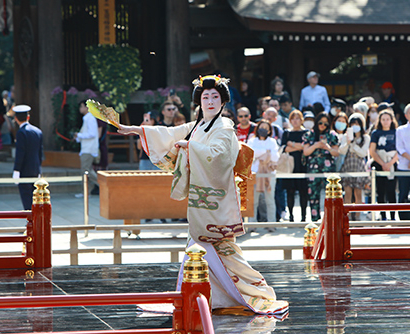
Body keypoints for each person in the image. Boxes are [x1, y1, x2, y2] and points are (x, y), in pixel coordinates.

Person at [117, 75, 289, 315]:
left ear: (222, 102)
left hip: (217, 200)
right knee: (201, 249)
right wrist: (135, 130)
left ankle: (250, 292)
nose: (209, 101)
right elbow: (170, 133)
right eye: (205, 97)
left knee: (222, 251)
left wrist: (191, 147)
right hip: (202, 199)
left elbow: (219, 157)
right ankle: (207, 296)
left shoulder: (225, 127)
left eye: (214, 97)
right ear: (199, 101)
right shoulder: (198, 125)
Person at [302, 112, 338, 221]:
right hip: (313, 166)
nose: (322, 126)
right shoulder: (309, 134)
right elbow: (306, 152)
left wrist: (327, 147)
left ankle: (331, 217)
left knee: (330, 192)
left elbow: (336, 153)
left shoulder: (332, 135)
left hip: (328, 166)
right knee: (313, 193)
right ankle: (315, 218)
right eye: (320, 123)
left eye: (326, 124)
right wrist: (316, 145)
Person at [338, 113, 370, 219]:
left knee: (358, 193)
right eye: (353, 124)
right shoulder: (345, 137)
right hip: (348, 165)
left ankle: (357, 216)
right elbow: (341, 151)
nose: (355, 126)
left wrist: (353, 144)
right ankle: (346, 216)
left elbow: (363, 153)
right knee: (347, 192)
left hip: (359, 166)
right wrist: (347, 142)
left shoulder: (365, 138)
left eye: (357, 124)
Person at [247, 120, 280, 225]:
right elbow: (250, 154)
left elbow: (275, 157)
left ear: (270, 130)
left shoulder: (272, 141)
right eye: (262, 127)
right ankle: (252, 225)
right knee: (254, 201)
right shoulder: (252, 140)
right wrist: (266, 152)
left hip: (269, 174)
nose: (264, 130)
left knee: (270, 200)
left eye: (266, 128)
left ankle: (271, 224)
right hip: (254, 173)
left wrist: (260, 153)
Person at [369, 109, 399, 220]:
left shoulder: (397, 132)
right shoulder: (376, 133)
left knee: (391, 191)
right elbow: (372, 151)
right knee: (380, 191)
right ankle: (383, 215)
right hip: (379, 162)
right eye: (383, 119)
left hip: (392, 162)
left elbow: (400, 150)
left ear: (392, 120)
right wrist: (382, 163)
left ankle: (392, 216)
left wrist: (390, 163)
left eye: (388, 119)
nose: (385, 121)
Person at [12, 105, 43, 210]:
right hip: (35, 169)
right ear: (28, 117)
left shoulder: (21, 133)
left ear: (16, 119)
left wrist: (16, 170)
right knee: (35, 198)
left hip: (24, 170)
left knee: (27, 198)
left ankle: (30, 221)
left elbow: (20, 153)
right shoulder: (38, 131)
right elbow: (40, 153)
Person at [281, 110, 308, 222]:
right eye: (293, 118)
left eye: (297, 118)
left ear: (302, 120)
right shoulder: (287, 133)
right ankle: (291, 215)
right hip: (290, 164)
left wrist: (291, 144)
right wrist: (299, 146)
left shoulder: (306, 133)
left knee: (303, 191)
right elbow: (284, 149)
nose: (295, 121)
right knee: (290, 191)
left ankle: (303, 216)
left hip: (303, 164)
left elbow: (305, 147)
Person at [75, 100, 100, 196]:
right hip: (87, 148)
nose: (80, 109)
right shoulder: (87, 118)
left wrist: (80, 135)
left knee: (86, 171)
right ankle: (87, 191)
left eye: (81, 106)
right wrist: (79, 137)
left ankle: (101, 185)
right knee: (88, 171)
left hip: (88, 149)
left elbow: (92, 134)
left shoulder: (90, 118)